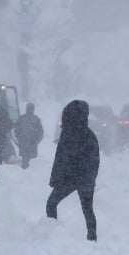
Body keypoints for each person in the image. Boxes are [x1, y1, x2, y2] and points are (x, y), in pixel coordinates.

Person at [46, 99, 99, 241]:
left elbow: (61, 160)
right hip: (84, 179)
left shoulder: (68, 134)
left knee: (51, 203)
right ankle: (92, 238)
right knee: (88, 210)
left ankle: (53, 235)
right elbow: (94, 161)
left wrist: (57, 180)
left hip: (69, 179)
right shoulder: (89, 135)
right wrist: (90, 179)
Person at [14, 102, 44, 170]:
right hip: (26, 145)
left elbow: (41, 132)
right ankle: (27, 176)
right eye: (28, 108)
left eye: (31, 108)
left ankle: (28, 176)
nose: (30, 110)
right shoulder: (21, 119)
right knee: (28, 163)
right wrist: (20, 140)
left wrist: (36, 141)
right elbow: (16, 131)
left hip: (30, 145)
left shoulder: (36, 119)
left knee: (31, 164)